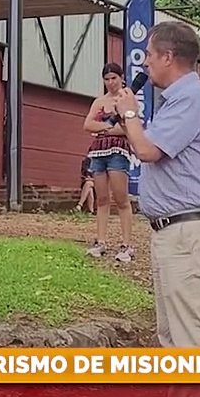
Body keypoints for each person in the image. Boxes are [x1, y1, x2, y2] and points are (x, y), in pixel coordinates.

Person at [108, 22, 200, 397]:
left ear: (168, 57)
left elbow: (149, 150)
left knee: (192, 339)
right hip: (172, 232)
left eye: (149, 57)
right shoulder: (181, 100)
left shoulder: (193, 98)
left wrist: (132, 113)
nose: (145, 65)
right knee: (172, 337)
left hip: (189, 233)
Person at [81, 62, 135, 262]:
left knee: (121, 198)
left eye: (114, 78)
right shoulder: (99, 101)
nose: (111, 83)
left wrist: (103, 129)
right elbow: (88, 124)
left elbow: (130, 127)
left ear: (121, 78)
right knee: (102, 198)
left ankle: (127, 244)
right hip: (99, 151)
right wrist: (106, 126)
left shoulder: (127, 98)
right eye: (107, 79)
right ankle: (101, 240)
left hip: (118, 150)